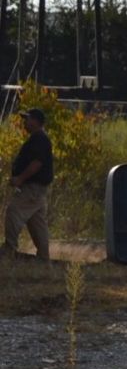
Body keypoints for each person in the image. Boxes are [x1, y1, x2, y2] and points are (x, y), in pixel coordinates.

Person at [6, 107, 54, 261]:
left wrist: (20, 178)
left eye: (27, 118)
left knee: (13, 211)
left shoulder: (39, 138)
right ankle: (44, 258)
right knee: (36, 224)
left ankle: (9, 249)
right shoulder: (39, 138)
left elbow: (37, 163)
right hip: (37, 190)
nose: (24, 122)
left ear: (35, 121)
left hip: (32, 188)